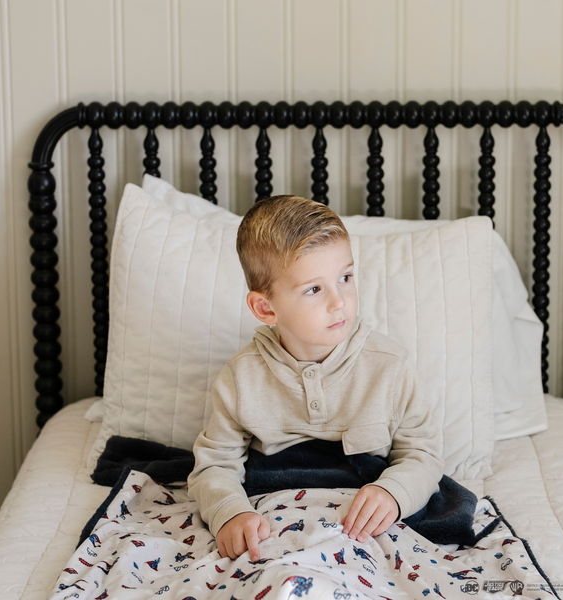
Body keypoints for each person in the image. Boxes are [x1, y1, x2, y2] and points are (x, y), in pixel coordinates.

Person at [187, 195, 444, 563]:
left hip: (363, 523)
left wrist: (394, 492)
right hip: (274, 527)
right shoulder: (240, 378)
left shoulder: (390, 366)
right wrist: (230, 512)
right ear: (266, 307)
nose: (339, 302)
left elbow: (423, 454)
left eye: (345, 277)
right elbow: (214, 465)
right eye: (314, 289)